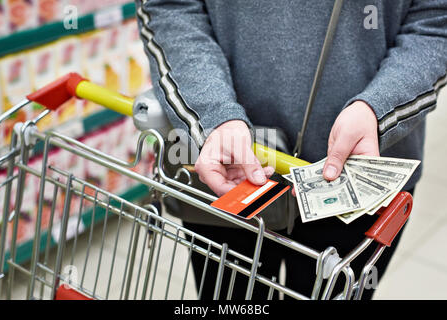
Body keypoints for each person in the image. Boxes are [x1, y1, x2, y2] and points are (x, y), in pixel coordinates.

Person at [135, 0, 447, 300]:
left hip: (357, 175)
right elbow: (169, 6)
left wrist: (379, 108)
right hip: (228, 169)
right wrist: (213, 114)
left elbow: (436, 23)